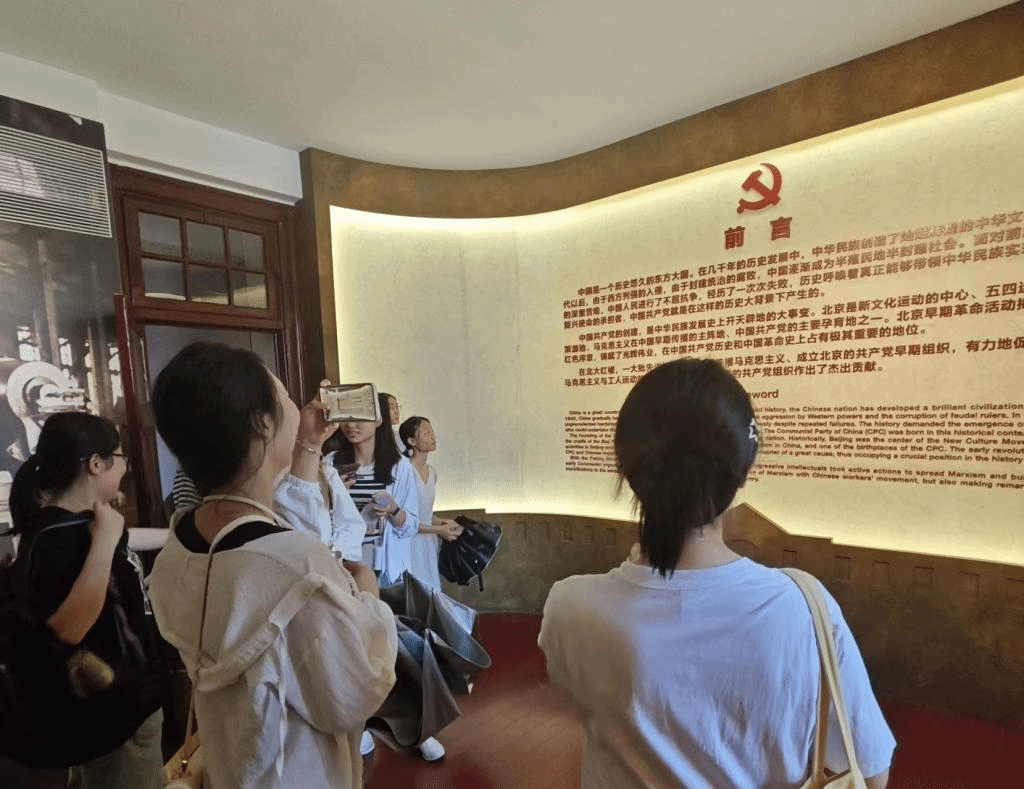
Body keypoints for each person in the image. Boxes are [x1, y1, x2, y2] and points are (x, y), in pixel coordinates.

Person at [538, 358, 895, 789]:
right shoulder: (806, 610)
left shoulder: (570, 606)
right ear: (742, 471)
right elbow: (872, 772)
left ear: (628, 470)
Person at [146, 342, 398, 788]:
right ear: (262, 423)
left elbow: (276, 531)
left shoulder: (183, 543)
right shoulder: (296, 563)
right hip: (295, 773)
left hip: (232, 764)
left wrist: (308, 445)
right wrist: (369, 599)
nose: (297, 406)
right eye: (284, 396)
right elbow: (354, 691)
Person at [7, 411, 163, 788]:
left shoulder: (59, 526)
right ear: (95, 463)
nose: (125, 466)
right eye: (120, 457)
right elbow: (69, 627)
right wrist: (106, 541)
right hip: (117, 715)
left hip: (95, 712)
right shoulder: (72, 538)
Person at [398, 416, 463, 590]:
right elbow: (403, 519)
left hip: (428, 543)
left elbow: (423, 512)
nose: (432, 437)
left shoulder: (432, 472)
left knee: (432, 592)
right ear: (411, 441)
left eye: (432, 432)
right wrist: (439, 530)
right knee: (416, 592)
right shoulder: (404, 471)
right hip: (410, 544)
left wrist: (441, 522)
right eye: (426, 433)